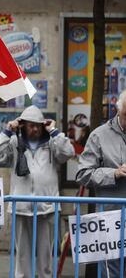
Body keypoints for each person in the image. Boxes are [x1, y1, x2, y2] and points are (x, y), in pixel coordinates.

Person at [0, 105, 74, 278]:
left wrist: (55, 132)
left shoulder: (52, 142)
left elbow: (68, 152)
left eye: (37, 125)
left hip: (47, 207)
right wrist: (7, 131)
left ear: (43, 125)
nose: (34, 128)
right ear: (23, 125)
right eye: (30, 125)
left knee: (46, 257)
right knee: (22, 256)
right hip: (20, 207)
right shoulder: (14, 142)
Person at [76, 90, 126, 277]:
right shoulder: (99, 135)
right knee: (110, 272)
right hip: (111, 220)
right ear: (117, 111)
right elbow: (82, 174)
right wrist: (114, 173)